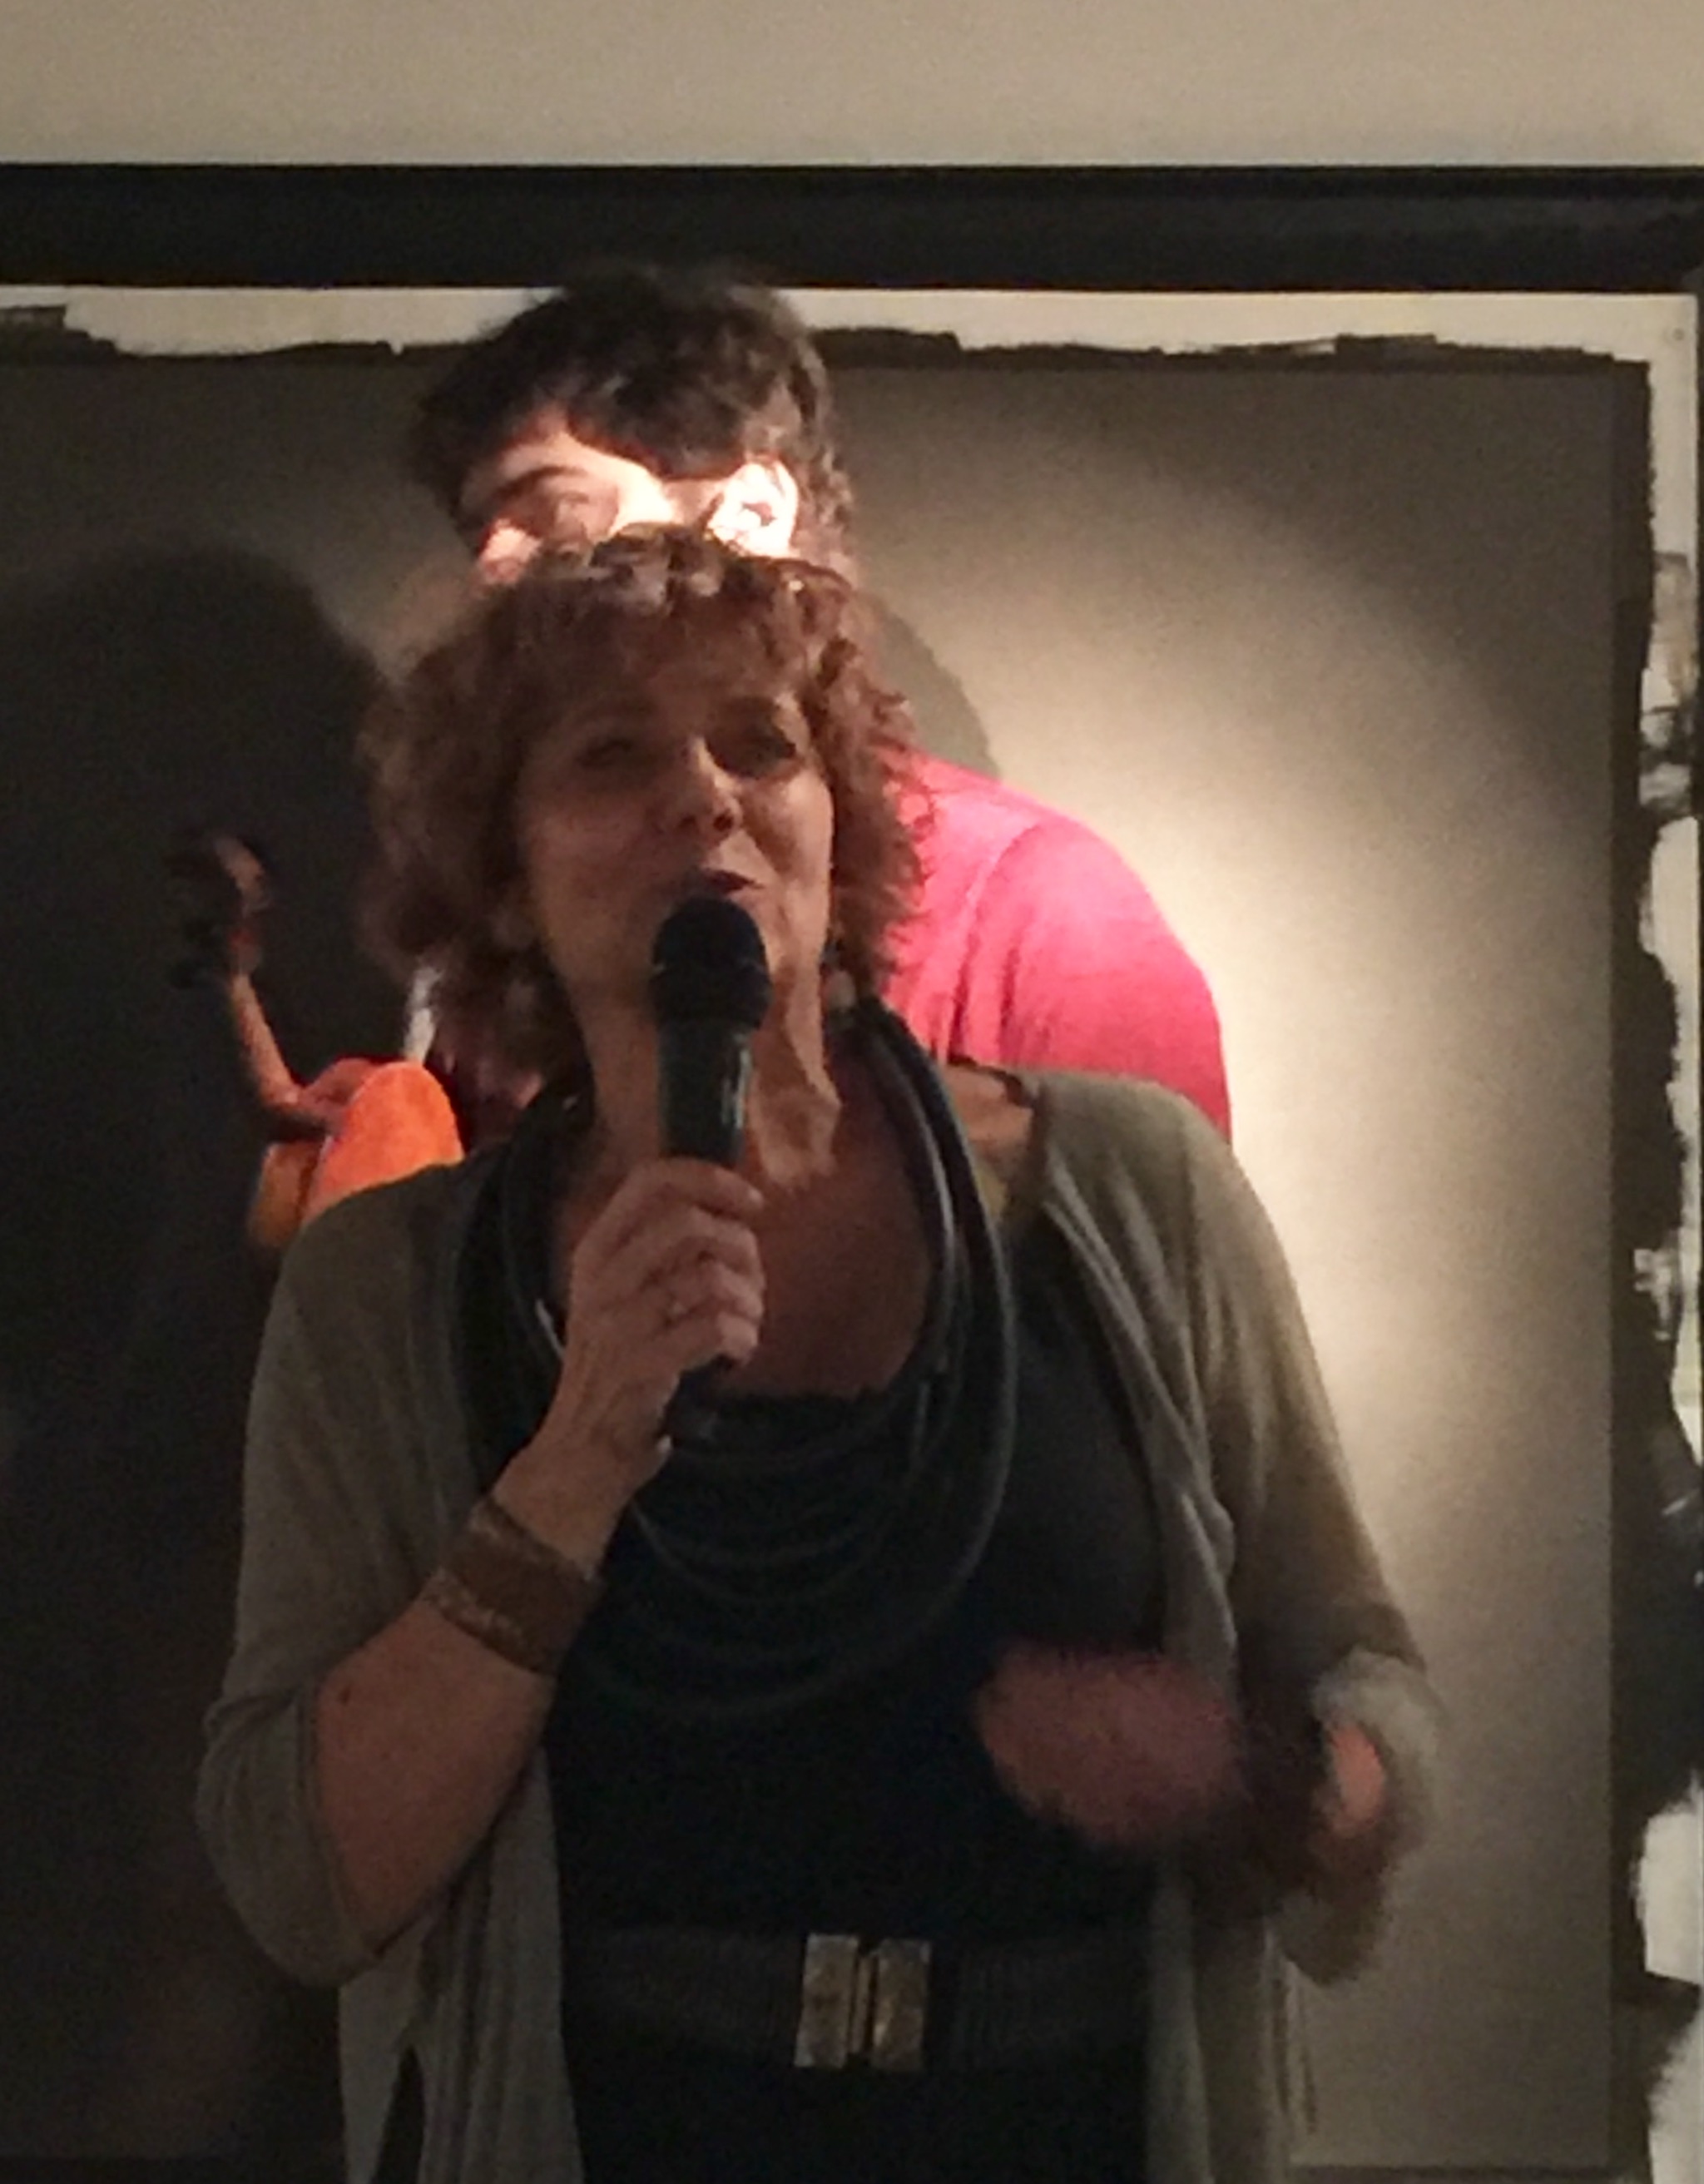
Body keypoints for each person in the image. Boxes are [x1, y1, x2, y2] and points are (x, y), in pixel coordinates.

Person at [198, 529, 1434, 2184]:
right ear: (504, 875)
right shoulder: (389, 1289)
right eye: (613, 756)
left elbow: (1371, 1689)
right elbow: (299, 1879)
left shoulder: (1132, 1189)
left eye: (759, 743)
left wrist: (1257, 1774)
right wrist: (577, 1453)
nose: (703, 797)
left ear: (832, 817)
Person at [407, 264, 1231, 1135]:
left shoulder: (1042, 917)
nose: (495, 565)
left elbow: (1134, 1212)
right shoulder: (527, 910)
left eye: (553, 510)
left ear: (750, 513)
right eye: (480, 530)